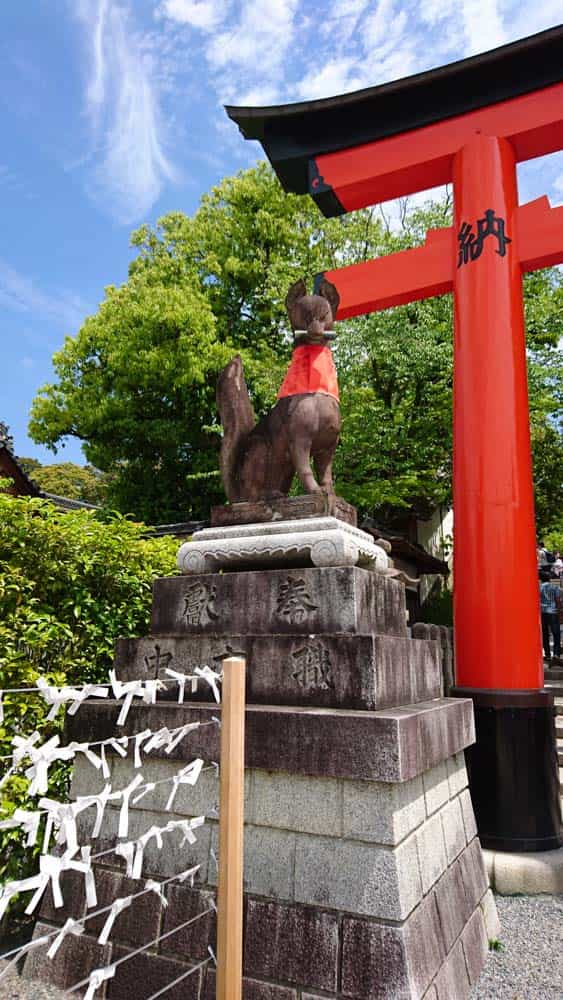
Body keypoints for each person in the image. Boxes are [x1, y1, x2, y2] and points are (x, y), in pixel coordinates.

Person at [539, 567, 562, 661]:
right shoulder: (555, 587)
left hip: (542, 612)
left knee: (545, 634)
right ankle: (556, 654)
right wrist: (559, 612)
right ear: (550, 579)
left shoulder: (538, 588)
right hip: (553, 612)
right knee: (556, 633)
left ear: (540, 579)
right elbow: (558, 600)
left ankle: (547, 654)